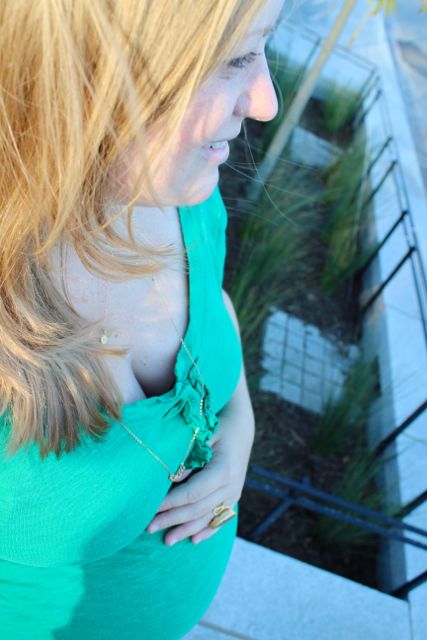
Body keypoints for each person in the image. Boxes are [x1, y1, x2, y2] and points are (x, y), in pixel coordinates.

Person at [0, 0, 283, 637]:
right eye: (235, 58)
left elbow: (214, 308)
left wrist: (238, 432)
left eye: (264, 49)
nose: (266, 101)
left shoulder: (187, 200)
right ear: (84, 71)